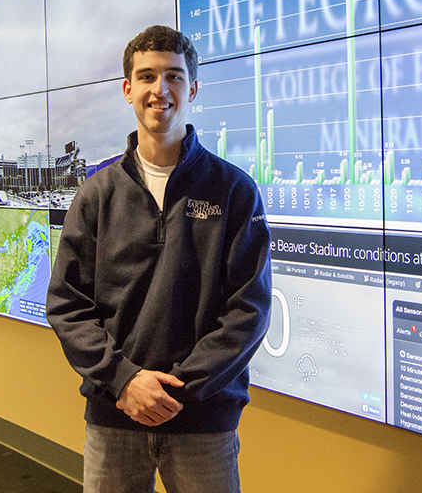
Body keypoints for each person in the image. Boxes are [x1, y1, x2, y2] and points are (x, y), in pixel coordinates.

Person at [46, 25, 272, 493]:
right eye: (146, 77)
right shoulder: (97, 194)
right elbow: (67, 306)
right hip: (115, 417)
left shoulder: (233, 191)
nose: (160, 90)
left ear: (192, 88)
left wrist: (175, 391)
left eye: (173, 76)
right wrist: (125, 382)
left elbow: (248, 309)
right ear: (128, 89)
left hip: (202, 420)